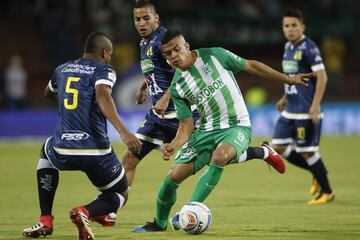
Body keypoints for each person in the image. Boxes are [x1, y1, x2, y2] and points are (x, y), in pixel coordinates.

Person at [132, 30, 311, 232]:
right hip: (206, 130)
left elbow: (250, 65)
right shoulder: (177, 86)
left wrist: (287, 80)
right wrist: (173, 145)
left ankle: (188, 211)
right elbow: (186, 125)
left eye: (176, 49)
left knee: (220, 156)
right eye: (168, 54)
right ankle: (159, 223)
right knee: (173, 176)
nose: (173, 56)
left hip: (236, 125)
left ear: (187, 46)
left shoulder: (215, 55)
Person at [22, 32, 141, 239]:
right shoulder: (104, 69)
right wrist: (124, 131)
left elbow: (48, 93)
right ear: (105, 53)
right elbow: (103, 94)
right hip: (95, 150)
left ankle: (45, 220)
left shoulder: (62, 69)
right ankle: (85, 212)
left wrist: (71, 105)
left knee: (45, 150)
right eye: (110, 54)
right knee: (120, 193)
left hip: (62, 148)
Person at [271, 9, 334, 205]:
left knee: (308, 152)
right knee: (277, 147)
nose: (290, 29)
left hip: (306, 111)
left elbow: (322, 76)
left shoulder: (309, 47)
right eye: (286, 26)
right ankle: (318, 171)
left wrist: (315, 105)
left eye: (293, 25)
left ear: (302, 26)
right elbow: (292, 78)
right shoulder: (288, 47)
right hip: (290, 109)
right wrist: (284, 97)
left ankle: (327, 191)